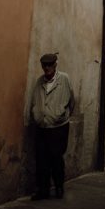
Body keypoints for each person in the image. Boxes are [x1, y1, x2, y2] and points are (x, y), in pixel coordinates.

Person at [29, 53, 75, 200]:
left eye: (50, 65)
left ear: (55, 65)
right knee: (41, 159)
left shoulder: (64, 79)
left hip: (58, 127)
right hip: (42, 126)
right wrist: (36, 114)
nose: (47, 68)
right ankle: (43, 190)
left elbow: (72, 101)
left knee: (56, 158)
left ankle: (59, 187)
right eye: (44, 65)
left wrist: (60, 115)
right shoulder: (39, 82)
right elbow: (34, 101)